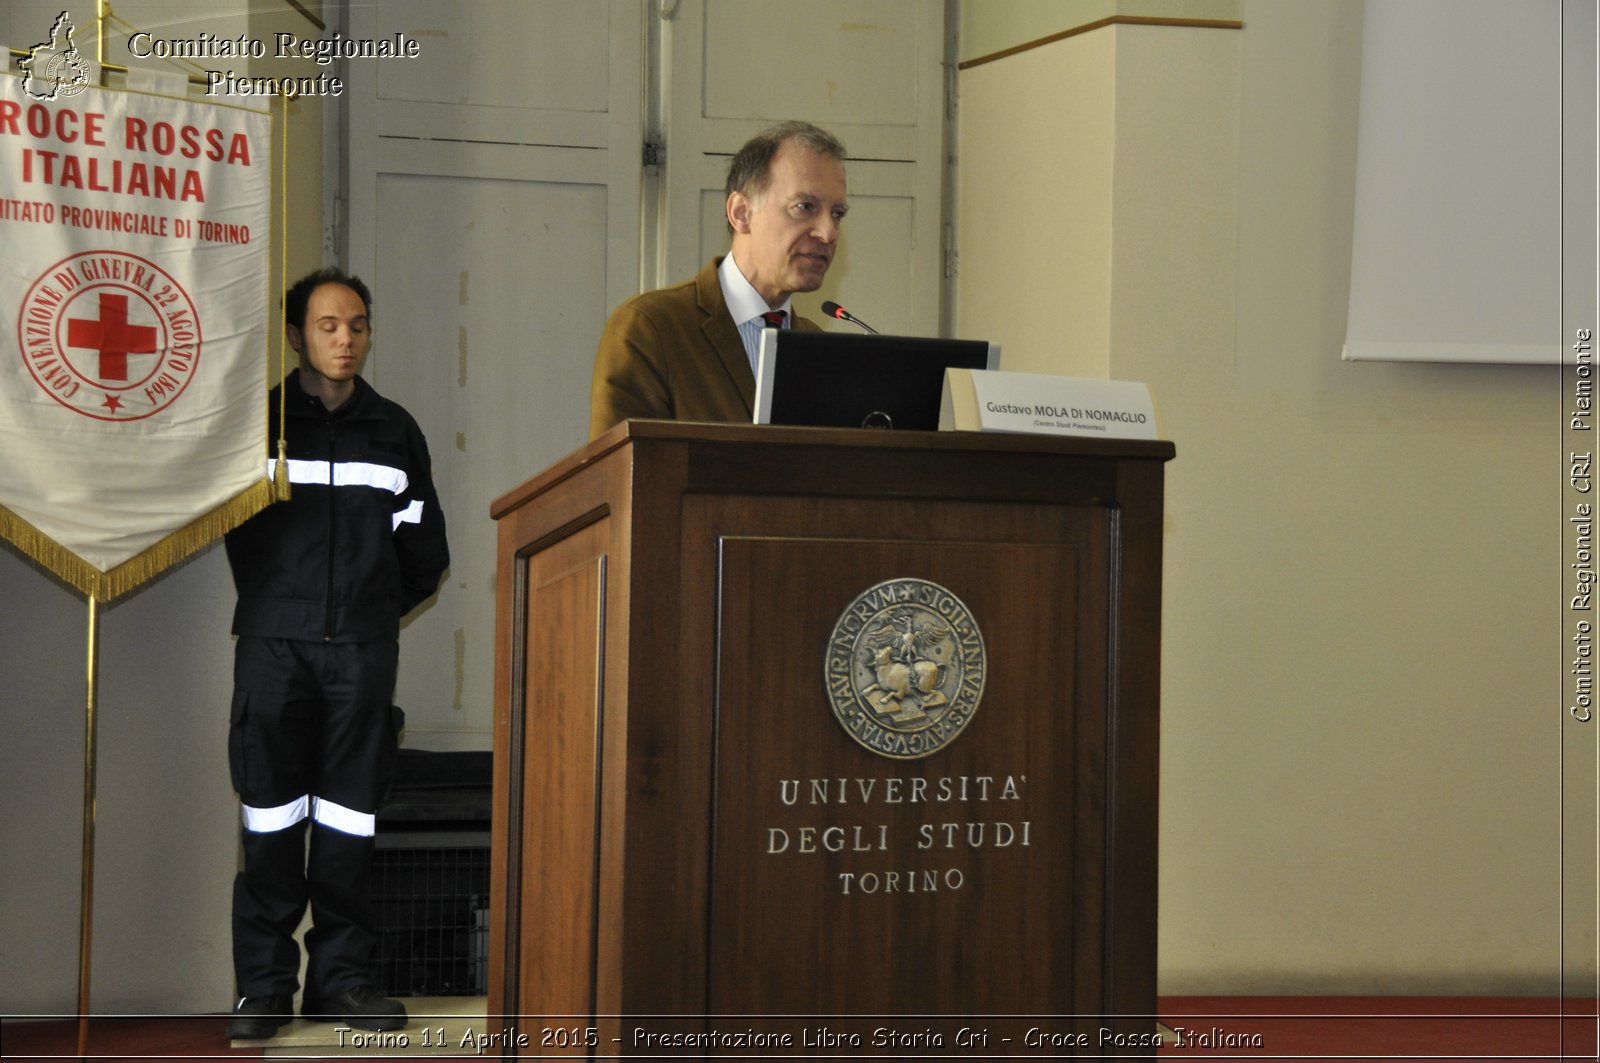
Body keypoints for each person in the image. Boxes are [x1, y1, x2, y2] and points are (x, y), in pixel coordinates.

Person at [222, 267, 449, 1040]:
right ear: (297, 335)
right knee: (270, 825)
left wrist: (369, 615)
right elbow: (231, 531)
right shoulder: (260, 425)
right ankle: (262, 990)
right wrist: (279, 606)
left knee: (351, 825)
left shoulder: (397, 432)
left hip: (360, 654)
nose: (345, 339)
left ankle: (342, 984)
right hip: (272, 651)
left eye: (357, 325)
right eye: (327, 326)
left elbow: (426, 553)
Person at [589, 120, 848, 438]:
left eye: (837, 213)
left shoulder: (819, 347)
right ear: (741, 213)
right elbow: (619, 478)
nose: (828, 232)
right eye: (805, 207)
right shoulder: (651, 328)